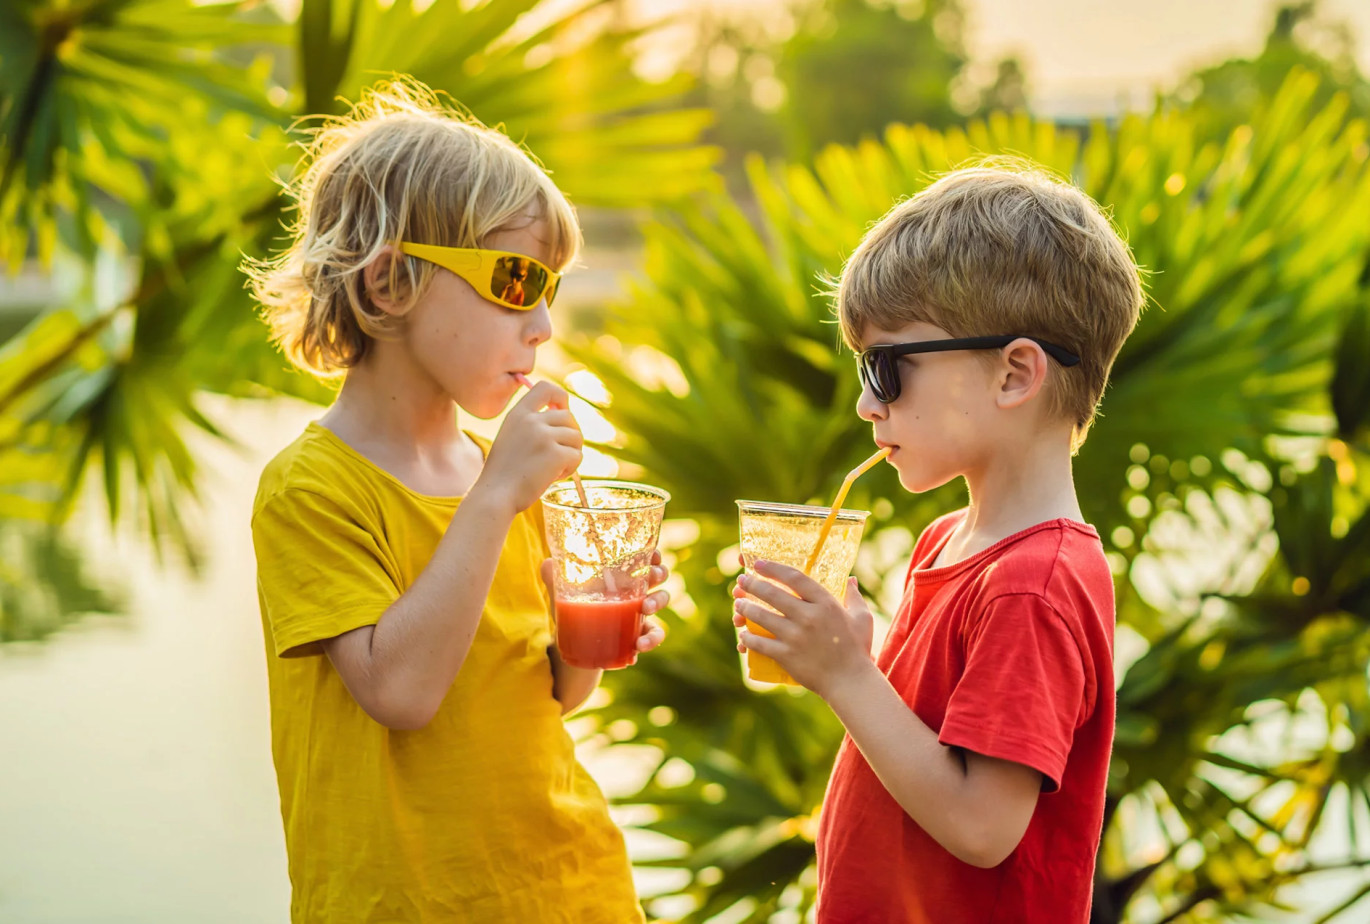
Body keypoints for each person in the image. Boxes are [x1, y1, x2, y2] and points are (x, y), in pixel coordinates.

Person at [243, 78, 666, 923]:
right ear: (390, 282)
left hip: (571, 886)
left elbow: (548, 694)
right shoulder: (312, 488)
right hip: (406, 902)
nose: (543, 324)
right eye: (516, 281)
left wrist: (591, 630)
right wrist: (496, 498)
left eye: (551, 290)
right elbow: (400, 693)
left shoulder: (505, 477)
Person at [733, 163, 1144, 923]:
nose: (865, 403)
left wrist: (847, 676)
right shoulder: (947, 542)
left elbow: (981, 826)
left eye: (887, 368)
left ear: (1014, 373)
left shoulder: (1033, 583)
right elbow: (925, 750)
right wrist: (855, 649)